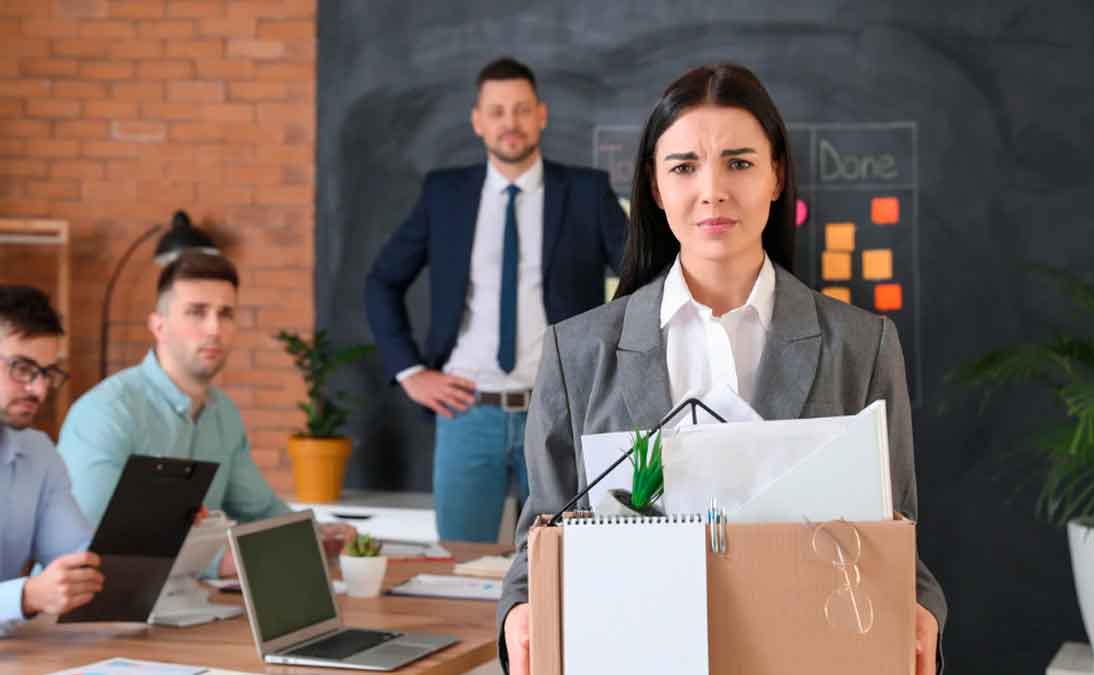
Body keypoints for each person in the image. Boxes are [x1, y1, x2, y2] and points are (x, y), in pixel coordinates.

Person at [497, 64, 948, 674]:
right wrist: (519, 612)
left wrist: (921, 610)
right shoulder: (576, 352)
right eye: (684, 166)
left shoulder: (860, 346)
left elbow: (897, 537)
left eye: (738, 163)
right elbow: (540, 539)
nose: (712, 190)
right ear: (654, 187)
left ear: (776, 175)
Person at [365, 57, 628, 543]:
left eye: (522, 109)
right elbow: (382, 281)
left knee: (563, 565)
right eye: (498, 111)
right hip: (467, 413)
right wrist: (410, 372)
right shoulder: (444, 195)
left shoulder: (586, 192)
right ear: (478, 121)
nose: (511, 122)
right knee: (463, 568)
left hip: (558, 414)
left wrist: (609, 368)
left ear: (542, 115)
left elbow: (641, 276)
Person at [58, 252, 353, 577]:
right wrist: (217, 564)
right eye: (196, 312)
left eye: (225, 314)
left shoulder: (223, 413)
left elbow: (259, 509)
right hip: (84, 609)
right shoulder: (106, 411)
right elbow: (90, 535)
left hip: (185, 606)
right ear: (158, 325)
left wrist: (316, 534)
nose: (214, 328)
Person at [0, 286, 103, 634]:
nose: (39, 390)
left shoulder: (39, 452)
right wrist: (26, 597)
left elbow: (79, 556)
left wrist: (159, 528)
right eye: (22, 368)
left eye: (47, 373)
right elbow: (32, 596)